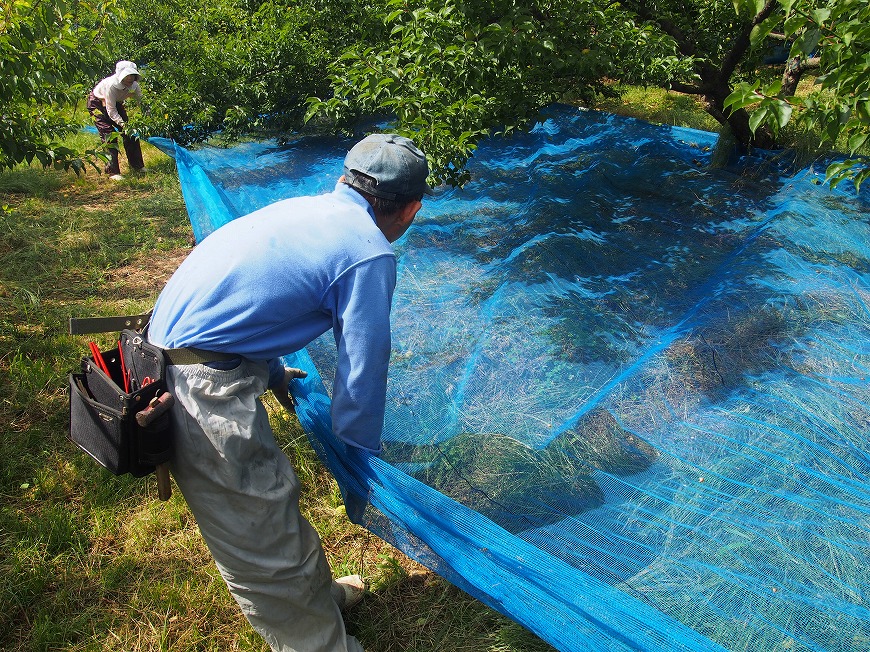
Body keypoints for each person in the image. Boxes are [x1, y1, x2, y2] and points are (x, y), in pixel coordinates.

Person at [146, 134, 431, 652]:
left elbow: (252, 302)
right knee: (259, 538)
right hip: (197, 392)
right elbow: (364, 368)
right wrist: (359, 454)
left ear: (346, 180)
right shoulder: (368, 252)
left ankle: (319, 597)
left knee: (274, 501)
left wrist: (273, 372)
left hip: (175, 355)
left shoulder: (307, 209)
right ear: (410, 209)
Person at [88, 60, 145, 180]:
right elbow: (111, 110)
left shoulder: (134, 86)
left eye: (132, 75)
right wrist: (123, 124)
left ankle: (137, 166)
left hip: (116, 103)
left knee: (130, 134)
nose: (130, 78)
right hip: (97, 104)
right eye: (127, 76)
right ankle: (113, 172)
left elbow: (142, 103)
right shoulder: (111, 86)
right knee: (108, 135)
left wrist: (148, 116)